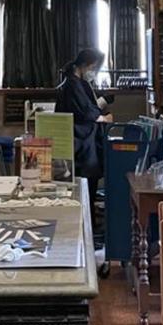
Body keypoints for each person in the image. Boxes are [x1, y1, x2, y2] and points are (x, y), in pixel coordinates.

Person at [55, 47, 111, 222]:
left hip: (82, 141)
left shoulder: (77, 83)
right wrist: (103, 117)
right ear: (85, 65)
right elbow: (86, 113)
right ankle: (89, 226)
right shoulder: (73, 85)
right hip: (81, 143)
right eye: (93, 67)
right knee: (86, 188)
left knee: (88, 189)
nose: (93, 72)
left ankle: (90, 223)